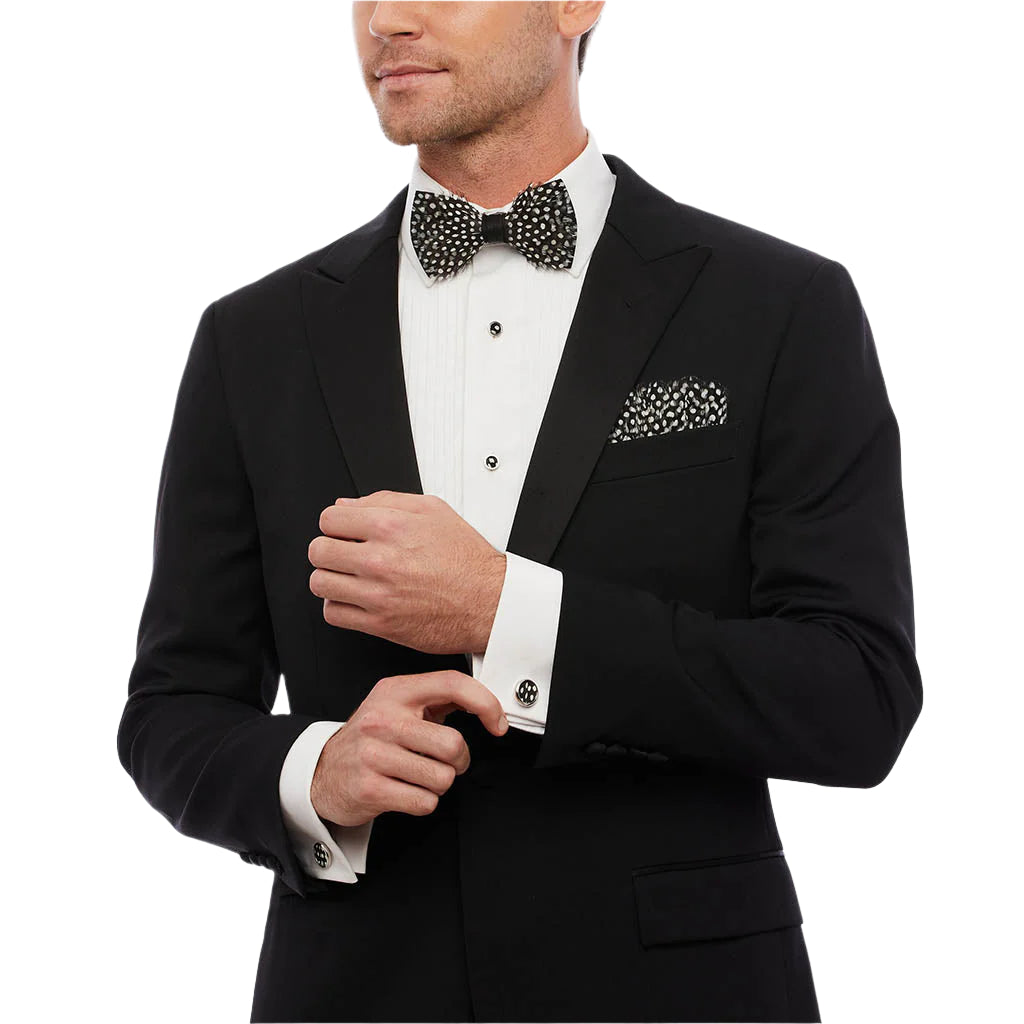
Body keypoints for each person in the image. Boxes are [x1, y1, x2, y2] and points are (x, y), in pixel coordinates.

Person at [116, 2, 923, 1021]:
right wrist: (310, 773)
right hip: (361, 991)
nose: (386, 19)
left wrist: (505, 611)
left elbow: (856, 695)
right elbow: (172, 709)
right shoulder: (253, 340)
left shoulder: (780, 307)